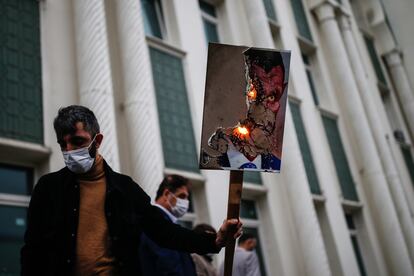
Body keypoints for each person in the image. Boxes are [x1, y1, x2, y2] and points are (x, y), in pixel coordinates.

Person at [20, 105, 242, 276]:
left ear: (97, 140)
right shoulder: (48, 189)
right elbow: (32, 251)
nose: (69, 150)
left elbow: (165, 232)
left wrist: (214, 241)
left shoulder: (125, 189)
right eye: (63, 144)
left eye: (78, 141)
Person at [202, 49, 287, 172]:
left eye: (272, 96)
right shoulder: (209, 159)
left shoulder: (274, 166)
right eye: (253, 95)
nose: (265, 113)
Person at [139, 174, 197, 276]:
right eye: (182, 196)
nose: (186, 202)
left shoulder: (164, 223)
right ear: (166, 194)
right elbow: (169, 268)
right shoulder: (157, 224)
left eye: (187, 198)